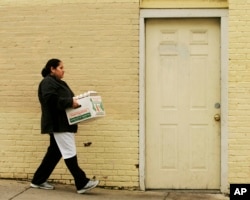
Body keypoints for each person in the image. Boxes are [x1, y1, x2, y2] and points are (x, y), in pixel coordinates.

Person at [30, 58, 99, 194]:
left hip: (63, 122)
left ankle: (38, 180)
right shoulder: (47, 82)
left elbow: (67, 99)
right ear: (52, 69)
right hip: (58, 124)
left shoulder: (59, 83)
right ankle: (82, 182)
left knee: (55, 152)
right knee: (69, 151)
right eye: (61, 68)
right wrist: (69, 102)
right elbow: (50, 99)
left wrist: (76, 103)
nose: (63, 70)